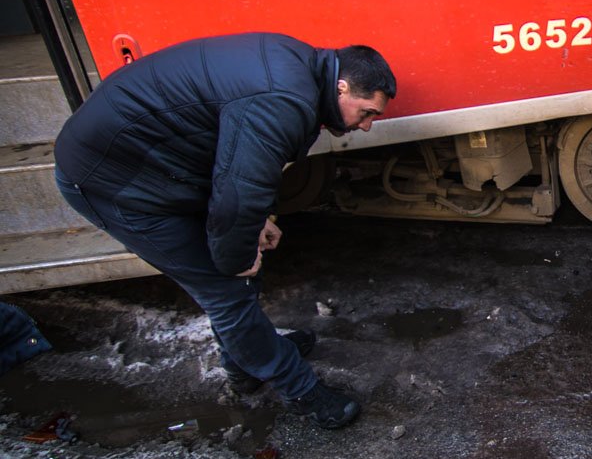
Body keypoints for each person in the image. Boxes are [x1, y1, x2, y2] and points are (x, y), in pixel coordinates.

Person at [53, 32, 396, 429]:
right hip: (113, 183)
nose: (367, 126)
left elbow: (245, 165)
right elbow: (237, 196)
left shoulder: (299, 72)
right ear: (342, 86)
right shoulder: (285, 99)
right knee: (226, 288)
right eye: (367, 112)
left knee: (239, 267)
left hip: (158, 168)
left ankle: (245, 366)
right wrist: (235, 257)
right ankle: (303, 392)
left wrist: (260, 220)